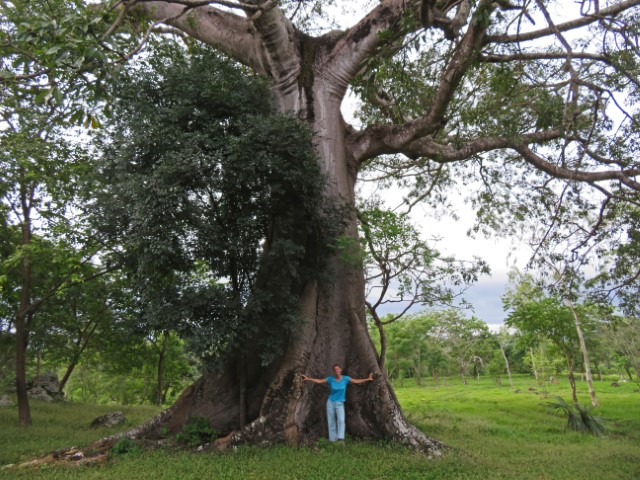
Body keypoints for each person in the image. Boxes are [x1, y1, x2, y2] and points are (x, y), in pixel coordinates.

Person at [301, 364, 374, 442]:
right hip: (330, 403)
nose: (337, 371)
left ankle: (341, 438)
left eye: (338, 369)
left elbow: (356, 381)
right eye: (335, 370)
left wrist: (368, 379)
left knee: (341, 420)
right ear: (334, 371)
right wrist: (308, 378)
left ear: (340, 370)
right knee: (331, 421)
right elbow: (320, 381)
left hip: (339, 403)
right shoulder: (330, 379)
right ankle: (333, 440)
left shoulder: (345, 378)